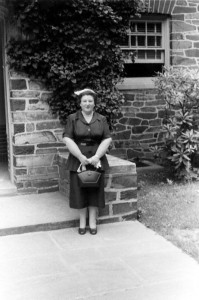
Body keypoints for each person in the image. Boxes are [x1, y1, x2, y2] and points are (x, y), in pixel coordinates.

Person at [63, 88, 112, 235]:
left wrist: (97, 156)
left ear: (94, 103)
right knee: (80, 192)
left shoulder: (101, 119)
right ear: (80, 103)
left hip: (96, 159)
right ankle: (82, 222)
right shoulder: (72, 118)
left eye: (90, 101)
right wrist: (80, 157)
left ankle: (92, 222)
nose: (87, 103)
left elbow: (107, 138)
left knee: (94, 192)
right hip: (78, 160)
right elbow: (67, 138)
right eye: (84, 101)